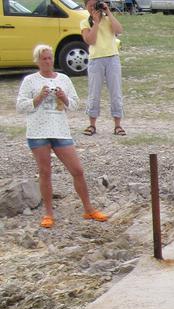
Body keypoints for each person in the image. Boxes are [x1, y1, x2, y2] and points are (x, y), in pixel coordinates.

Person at [16, 45, 109, 229]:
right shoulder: (30, 80)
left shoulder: (64, 78)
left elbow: (74, 105)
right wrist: (38, 98)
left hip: (60, 130)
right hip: (38, 132)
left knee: (77, 170)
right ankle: (48, 213)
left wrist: (63, 97)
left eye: (50, 58)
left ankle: (88, 208)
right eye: (44, 59)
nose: (48, 61)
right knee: (45, 172)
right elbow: (20, 106)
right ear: (38, 61)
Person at [80, 0, 126, 136]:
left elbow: (119, 30)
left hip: (112, 57)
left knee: (116, 93)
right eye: (90, 5)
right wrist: (96, 23)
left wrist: (108, 12)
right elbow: (90, 40)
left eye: (96, 4)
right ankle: (92, 124)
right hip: (95, 59)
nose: (94, 8)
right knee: (94, 93)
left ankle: (118, 125)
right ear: (86, 6)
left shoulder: (108, 19)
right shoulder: (85, 22)